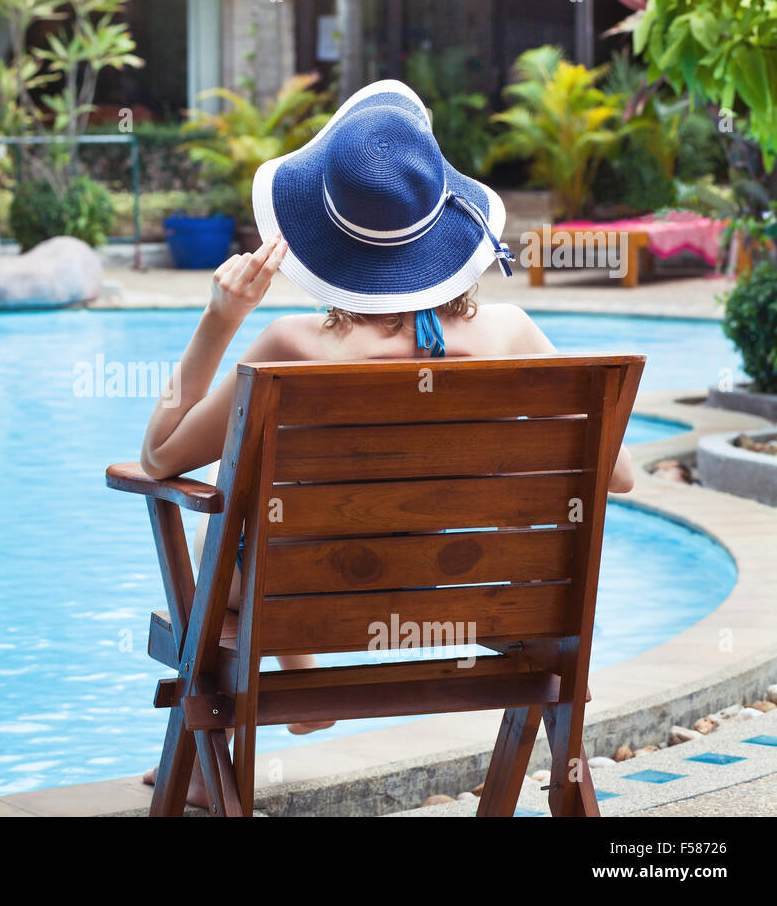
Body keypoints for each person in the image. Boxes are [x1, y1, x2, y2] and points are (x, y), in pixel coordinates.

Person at [138, 79, 635, 807]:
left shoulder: (291, 347)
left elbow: (156, 459)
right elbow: (616, 475)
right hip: (471, 591)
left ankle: (262, 724)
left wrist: (219, 318)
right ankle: (281, 710)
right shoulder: (514, 336)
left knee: (234, 544)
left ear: (327, 244)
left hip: (304, 592)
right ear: (445, 233)